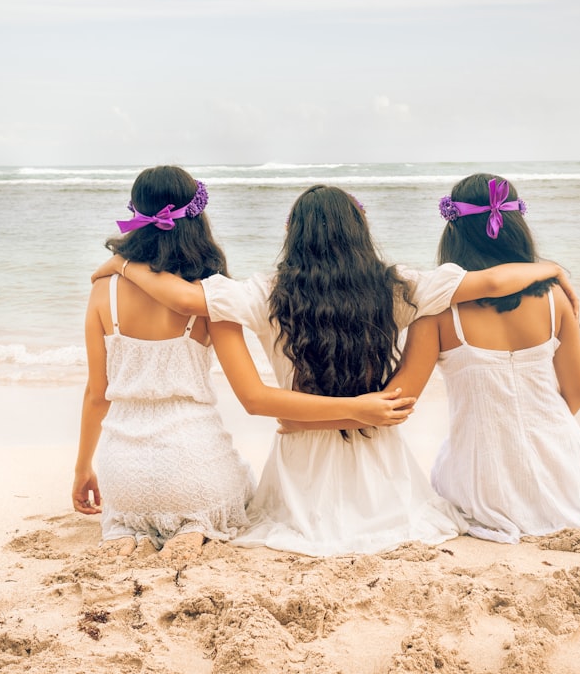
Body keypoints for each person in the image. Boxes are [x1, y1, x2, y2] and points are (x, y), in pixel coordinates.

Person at [92, 183, 580, 556]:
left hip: (299, 468)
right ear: (361, 230)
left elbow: (182, 296)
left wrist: (124, 263)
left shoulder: (265, 293)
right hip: (382, 470)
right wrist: (551, 269)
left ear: (291, 235)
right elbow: (492, 280)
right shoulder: (399, 288)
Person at [75, 168, 418, 561]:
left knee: (125, 513)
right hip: (192, 462)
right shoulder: (209, 291)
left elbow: (96, 393)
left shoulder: (104, 290)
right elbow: (249, 393)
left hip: (123, 470)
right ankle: (195, 524)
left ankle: (124, 528)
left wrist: (82, 468)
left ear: (134, 213)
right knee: (233, 489)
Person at [380, 173, 580, 543]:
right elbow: (579, 391)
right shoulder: (557, 298)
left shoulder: (439, 310)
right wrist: (532, 437)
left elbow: (400, 399)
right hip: (566, 473)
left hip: (482, 476)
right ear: (517, 226)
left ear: (454, 230)